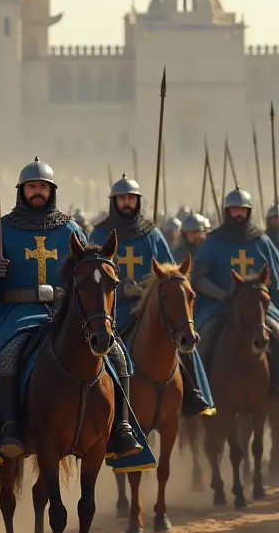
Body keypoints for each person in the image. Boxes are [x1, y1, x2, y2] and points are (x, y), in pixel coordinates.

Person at [0, 158, 145, 469]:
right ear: (22, 191)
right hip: (16, 311)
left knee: (117, 355)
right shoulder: (2, 229)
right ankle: (9, 426)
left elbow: (90, 266)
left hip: (64, 311)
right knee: (7, 355)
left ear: (52, 191)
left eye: (43, 187)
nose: (38, 192)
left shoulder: (70, 228)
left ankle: (122, 429)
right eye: (32, 187)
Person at [90, 175, 211, 416]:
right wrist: (120, 288)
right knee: (108, 349)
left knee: (185, 343)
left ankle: (194, 393)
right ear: (114, 202)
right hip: (115, 309)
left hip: (153, 308)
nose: (127, 203)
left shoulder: (152, 234)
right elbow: (92, 275)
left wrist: (149, 289)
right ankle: (101, 406)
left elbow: (172, 272)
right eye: (122, 199)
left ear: (138, 202)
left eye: (131, 199)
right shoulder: (100, 233)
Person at [191, 188, 279, 389]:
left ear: (249, 212)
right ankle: (199, 390)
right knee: (201, 340)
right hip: (220, 305)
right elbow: (199, 278)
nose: (238, 214)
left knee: (277, 334)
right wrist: (223, 295)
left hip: (259, 308)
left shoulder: (262, 241)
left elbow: (275, 279)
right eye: (234, 209)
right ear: (227, 212)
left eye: (242, 209)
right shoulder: (213, 241)